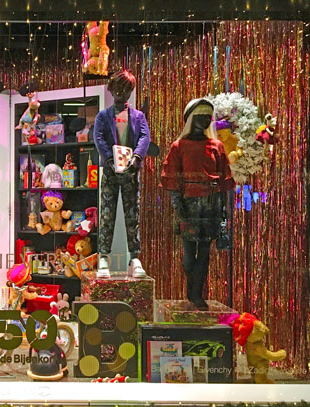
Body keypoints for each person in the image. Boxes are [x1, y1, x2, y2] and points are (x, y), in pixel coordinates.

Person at [160, 98, 235, 310]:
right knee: (188, 254)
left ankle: (196, 293)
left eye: (207, 117)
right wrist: (178, 205)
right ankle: (192, 288)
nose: (204, 120)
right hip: (189, 204)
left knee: (204, 252)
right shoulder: (179, 146)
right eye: (199, 116)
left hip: (210, 204)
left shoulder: (216, 146)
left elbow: (224, 179)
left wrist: (223, 209)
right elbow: (172, 177)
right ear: (190, 119)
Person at [93, 69, 150, 278]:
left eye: (125, 89)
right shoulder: (103, 116)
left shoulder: (138, 116)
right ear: (111, 89)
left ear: (130, 91)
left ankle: (134, 257)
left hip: (130, 171)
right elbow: (98, 137)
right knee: (107, 213)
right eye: (117, 88)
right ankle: (103, 256)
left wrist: (137, 158)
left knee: (132, 213)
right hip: (110, 171)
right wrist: (109, 158)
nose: (120, 93)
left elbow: (144, 137)